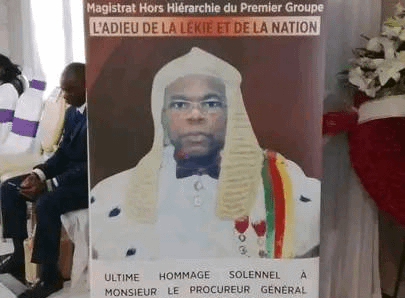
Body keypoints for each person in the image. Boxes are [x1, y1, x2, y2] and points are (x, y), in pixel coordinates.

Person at [91, 48, 320, 260]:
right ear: (162, 115)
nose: (195, 115)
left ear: (232, 113)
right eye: (180, 105)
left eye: (210, 103)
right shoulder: (116, 192)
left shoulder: (282, 182)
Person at [0, 62, 88, 298]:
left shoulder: (99, 117)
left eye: (69, 90)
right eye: (63, 89)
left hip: (85, 184)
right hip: (65, 176)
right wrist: (38, 174)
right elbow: (62, 154)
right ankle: (19, 255)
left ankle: (49, 276)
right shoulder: (72, 113)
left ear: (86, 86)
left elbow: (89, 167)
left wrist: (50, 183)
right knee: (9, 187)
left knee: (46, 203)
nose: (64, 96)